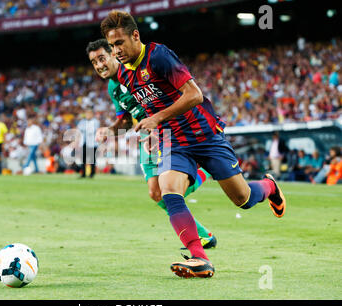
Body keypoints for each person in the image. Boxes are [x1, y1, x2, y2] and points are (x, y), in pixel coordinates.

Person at [101, 10, 286, 278]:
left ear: (135, 35)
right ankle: (200, 258)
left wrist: (157, 118)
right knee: (168, 191)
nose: (116, 50)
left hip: (206, 135)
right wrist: (138, 129)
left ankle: (269, 186)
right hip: (173, 142)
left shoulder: (158, 56)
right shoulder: (125, 76)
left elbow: (194, 95)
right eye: (112, 45)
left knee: (242, 199)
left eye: (119, 43)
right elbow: (149, 107)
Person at [86, 38, 216, 248]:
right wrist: (109, 130)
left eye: (102, 58)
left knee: (170, 190)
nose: (99, 65)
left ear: (114, 53)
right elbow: (126, 120)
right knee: (156, 193)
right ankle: (204, 235)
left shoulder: (137, 72)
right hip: (146, 137)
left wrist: (159, 127)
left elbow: (167, 98)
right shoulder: (113, 87)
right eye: (94, 62)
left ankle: (205, 172)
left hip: (166, 132)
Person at [77, 109, 100, 178]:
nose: (88, 115)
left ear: (92, 114)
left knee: (92, 159)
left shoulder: (96, 122)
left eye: (89, 114)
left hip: (92, 143)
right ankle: (83, 173)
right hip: (84, 142)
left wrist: (84, 129)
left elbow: (92, 130)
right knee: (83, 159)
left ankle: (91, 174)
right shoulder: (82, 121)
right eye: (87, 114)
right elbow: (79, 129)